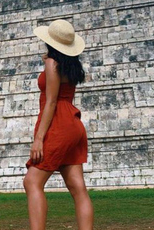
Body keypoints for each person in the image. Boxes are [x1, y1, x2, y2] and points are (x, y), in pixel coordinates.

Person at [23, 19, 94, 230]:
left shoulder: (52, 63)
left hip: (58, 123)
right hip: (73, 123)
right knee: (78, 188)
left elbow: (52, 101)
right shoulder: (70, 64)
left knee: (32, 182)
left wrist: (38, 139)